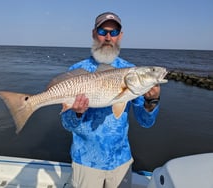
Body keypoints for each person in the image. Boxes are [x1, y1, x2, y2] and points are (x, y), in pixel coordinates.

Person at [61, 12, 161, 188]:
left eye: (114, 33)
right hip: (86, 162)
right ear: (94, 33)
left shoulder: (132, 72)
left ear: (120, 36)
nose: (108, 37)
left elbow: (145, 122)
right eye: (103, 31)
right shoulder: (77, 70)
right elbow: (67, 125)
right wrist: (76, 114)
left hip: (121, 161)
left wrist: (152, 101)